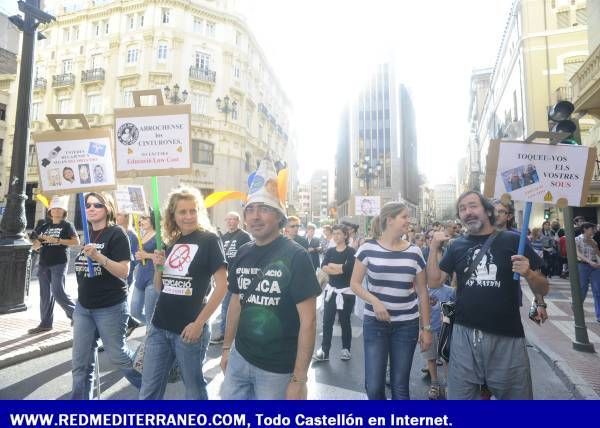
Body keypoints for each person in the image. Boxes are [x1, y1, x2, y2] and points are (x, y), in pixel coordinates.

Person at [426, 191, 549, 400]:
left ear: (488, 211)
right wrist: (433, 248)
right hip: (464, 336)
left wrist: (528, 273)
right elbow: (434, 282)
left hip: (507, 337)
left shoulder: (513, 240)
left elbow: (543, 288)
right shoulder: (457, 245)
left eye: (473, 206)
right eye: (462, 209)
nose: (467, 212)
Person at [220, 158, 321, 399]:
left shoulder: (296, 256)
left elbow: (309, 322)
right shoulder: (243, 252)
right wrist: (226, 348)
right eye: (250, 209)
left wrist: (299, 379)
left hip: (277, 371)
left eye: (264, 209)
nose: (255, 216)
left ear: (279, 217)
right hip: (239, 359)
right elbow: (235, 303)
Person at [139, 187, 228, 400]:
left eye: (193, 210)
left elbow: (223, 286)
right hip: (159, 327)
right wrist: (158, 267)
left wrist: (199, 324)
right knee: (149, 390)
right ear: (173, 215)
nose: (188, 216)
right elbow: (160, 288)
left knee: (194, 390)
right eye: (182, 212)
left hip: (189, 331)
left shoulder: (209, 240)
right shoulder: (172, 242)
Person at [350, 202, 433, 400]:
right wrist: (375, 301)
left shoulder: (415, 252)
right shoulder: (367, 248)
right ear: (389, 220)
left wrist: (427, 329)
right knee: (374, 386)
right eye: (404, 217)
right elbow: (354, 283)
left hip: (407, 325)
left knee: (400, 386)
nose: (409, 221)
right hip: (375, 323)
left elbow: (422, 292)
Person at [71, 192, 141, 399]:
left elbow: (124, 272)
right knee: (80, 364)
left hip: (110, 307)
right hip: (84, 307)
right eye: (88, 205)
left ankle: (151, 390)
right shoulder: (88, 233)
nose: (91, 208)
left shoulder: (117, 233)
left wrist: (98, 256)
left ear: (108, 208)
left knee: (118, 357)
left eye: (97, 205)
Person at [28, 196, 79, 334]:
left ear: (63, 211)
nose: (56, 211)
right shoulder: (44, 226)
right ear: (50, 211)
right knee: (45, 294)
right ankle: (45, 323)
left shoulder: (67, 225)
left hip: (59, 262)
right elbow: (37, 243)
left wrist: (57, 240)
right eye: (54, 208)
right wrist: (32, 247)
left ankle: (77, 315)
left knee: (57, 291)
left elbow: (75, 242)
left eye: (59, 209)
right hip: (44, 262)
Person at [314, 224, 356, 362]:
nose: (336, 236)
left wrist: (335, 267)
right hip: (331, 291)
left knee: (345, 321)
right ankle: (324, 351)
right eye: (335, 233)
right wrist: (338, 268)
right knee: (327, 321)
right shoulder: (331, 251)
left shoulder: (350, 251)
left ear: (345, 235)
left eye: (339, 233)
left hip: (346, 292)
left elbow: (348, 268)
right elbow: (323, 266)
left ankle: (346, 349)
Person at [210, 211, 252, 345]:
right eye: (228, 220)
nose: (230, 222)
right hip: (226, 276)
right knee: (226, 306)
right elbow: (219, 257)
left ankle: (230, 334)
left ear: (238, 221)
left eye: (233, 219)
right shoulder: (223, 237)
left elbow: (249, 256)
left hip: (240, 276)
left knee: (234, 307)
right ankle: (227, 334)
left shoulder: (245, 236)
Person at [421, 283, 455, 400]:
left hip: (445, 330)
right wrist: (420, 330)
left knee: (446, 358)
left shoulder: (450, 291)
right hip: (429, 330)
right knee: (431, 358)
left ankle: (448, 385)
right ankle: (434, 383)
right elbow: (418, 309)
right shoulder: (423, 290)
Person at [130, 212, 158, 325]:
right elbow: (139, 255)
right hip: (140, 276)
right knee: (134, 311)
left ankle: (150, 336)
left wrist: (147, 255)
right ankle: (153, 327)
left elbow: (164, 257)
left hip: (152, 277)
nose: (141, 221)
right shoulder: (141, 234)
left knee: (150, 313)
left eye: (145, 218)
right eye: (140, 218)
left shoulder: (159, 236)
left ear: (153, 219)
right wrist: (138, 256)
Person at [575, 223, 600, 323]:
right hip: (583, 265)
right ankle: (577, 308)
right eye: (591, 229)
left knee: (598, 290)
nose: (593, 231)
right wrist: (590, 262)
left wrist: (594, 246)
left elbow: (598, 254)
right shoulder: (577, 239)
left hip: (595, 267)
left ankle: (599, 315)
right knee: (582, 289)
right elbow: (577, 253)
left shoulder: (593, 240)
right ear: (585, 229)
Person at [116, 212, 139, 288]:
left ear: (126, 217)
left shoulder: (132, 236)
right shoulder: (115, 232)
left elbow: (135, 259)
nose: (116, 217)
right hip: (113, 272)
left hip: (125, 276)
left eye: (119, 214)